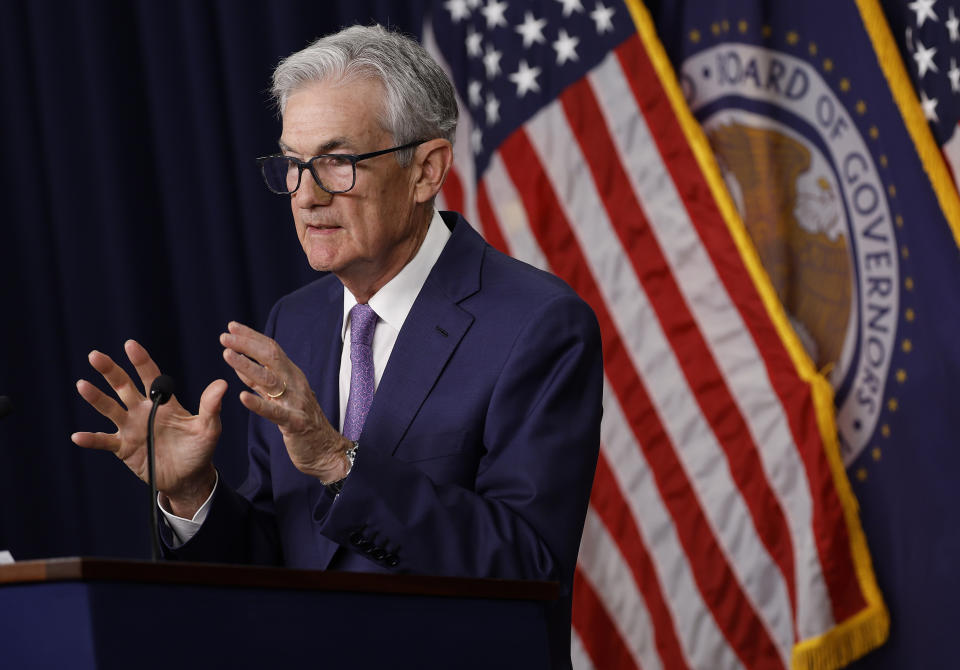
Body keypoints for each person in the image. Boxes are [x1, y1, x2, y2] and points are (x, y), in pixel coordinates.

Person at [72, 25, 602, 668]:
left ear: (426, 170)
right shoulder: (295, 321)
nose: (306, 195)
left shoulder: (538, 324)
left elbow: (527, 566)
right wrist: (193, 494)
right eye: (293, 165)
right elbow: (279, 560)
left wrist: (338, 460)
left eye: (337, 163)